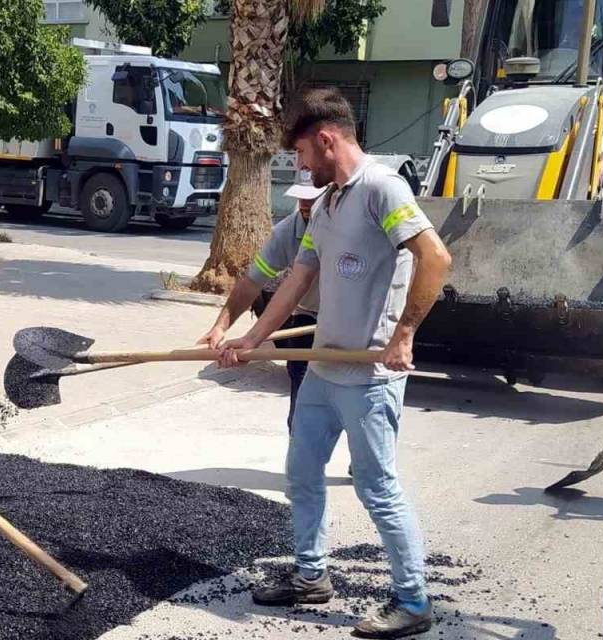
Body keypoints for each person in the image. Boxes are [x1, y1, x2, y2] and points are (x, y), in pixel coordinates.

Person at [218, 88, 451, 639]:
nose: (300, 166)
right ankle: (310, 576)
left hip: (368, 375)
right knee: (302, 473)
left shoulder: (382, 189)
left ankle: (413, 601)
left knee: (376, 487)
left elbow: (436, 258)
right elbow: (297, 279)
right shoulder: (326, 205)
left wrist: (404, 334)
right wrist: (251, 339)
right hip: (323, 372)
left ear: (326, 140)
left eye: (301, 153)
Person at [199, 169, 325, 430]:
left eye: (312, 198)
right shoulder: (287, 232)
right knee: (302, 408)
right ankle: (299, 440)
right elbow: (251, 282)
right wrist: (221, 327)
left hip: (353, 323)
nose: (305, 204)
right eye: (301, 197)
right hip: (309, 317)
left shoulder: (350, 227)